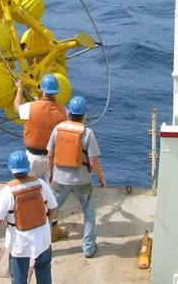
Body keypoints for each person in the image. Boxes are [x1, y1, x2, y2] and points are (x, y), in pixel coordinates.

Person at [47, 96, 106, 258]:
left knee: (50, 212)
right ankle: (88, 248)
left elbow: (50, 154)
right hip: (82, 181)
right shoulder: (88, 133)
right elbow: (93, 161)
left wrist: (51, 173)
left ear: (68, 113)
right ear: (84, 115)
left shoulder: (57, 129)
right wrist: (101, 177)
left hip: (59, 179)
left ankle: (42, 247)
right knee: (89, 212)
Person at [0, 150, 58, 284]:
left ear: (12, 170)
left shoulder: (8, 192)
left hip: (20, 243)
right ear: (28, 167)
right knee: (44, 270)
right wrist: (47, 224)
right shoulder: (41, 184)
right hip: (43, 238)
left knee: (19, 276)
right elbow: (53, 208)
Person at [13, 74, 67, 180]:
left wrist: (20, 89)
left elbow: (16, 107)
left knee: (28, 186)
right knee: (52, 190)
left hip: (33, 157)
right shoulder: (65, 112)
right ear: (57, 91)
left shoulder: (31, 107)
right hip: (53, 158)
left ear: (42, 89)